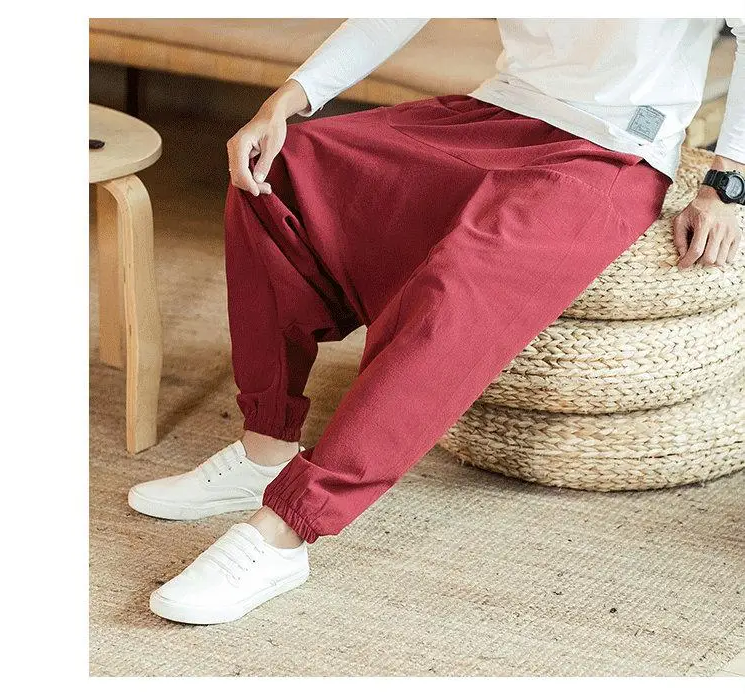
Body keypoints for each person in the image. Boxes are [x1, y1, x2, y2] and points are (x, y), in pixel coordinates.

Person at [127, 18, 744, 625]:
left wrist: (726, 185)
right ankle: (265, 447)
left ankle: (286, 531)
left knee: (460, 284)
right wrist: (284, 102)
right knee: (278, 170)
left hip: (615, 152)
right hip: (499, 111)